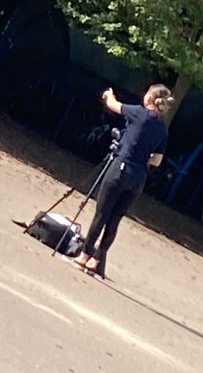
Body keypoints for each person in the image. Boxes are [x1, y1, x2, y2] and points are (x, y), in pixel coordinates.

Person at [72, 84, 175, 278]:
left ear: (150, 98)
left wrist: (108, 95)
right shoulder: (162, 129)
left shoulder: (139, 113)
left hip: (120, 168)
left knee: (101, 214)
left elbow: (113, 105)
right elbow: (157, 160)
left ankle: (85, 255)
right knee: (115, 219)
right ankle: (97, 260)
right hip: (138, 177)